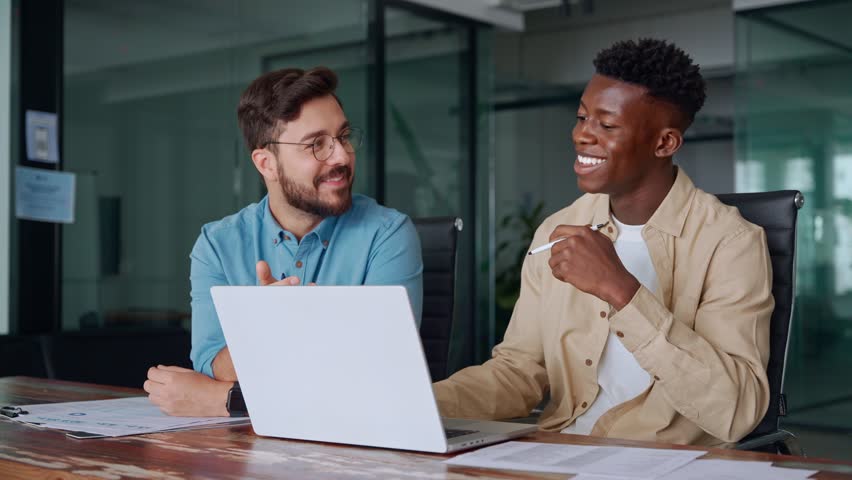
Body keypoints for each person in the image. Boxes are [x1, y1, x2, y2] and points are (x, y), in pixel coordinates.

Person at [433, 38, 773, 446]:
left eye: (607, 125)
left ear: (664, 143)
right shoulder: (557, 230)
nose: (582, 136)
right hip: (560, 454)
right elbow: (520, 372)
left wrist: (622, 291)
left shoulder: (731, 242)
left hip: (664, 464)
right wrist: (421, 402)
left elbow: (737, 410)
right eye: (581, 117)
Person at [145, 67, 423, 416]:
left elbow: (376, 375)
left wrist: (226, 398)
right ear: (267, 164)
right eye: (316, 144)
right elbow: (211, 364)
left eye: (344, 136)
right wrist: (280, 332)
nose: (342, 156)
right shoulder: (216, 244)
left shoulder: (388, 234)